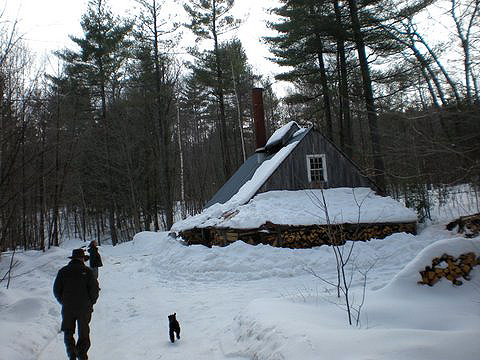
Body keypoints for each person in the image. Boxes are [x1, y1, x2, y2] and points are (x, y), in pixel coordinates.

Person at [53, 248, 99, 360]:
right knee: (83, 332)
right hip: (84, 307)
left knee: (68, 331)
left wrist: (63, 302)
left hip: (68, 307)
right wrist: (90, 302)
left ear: (73, 258)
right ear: (82, 258)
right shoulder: (87, 271)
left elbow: (56, 290)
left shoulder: (63, 271)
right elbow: (94, 290)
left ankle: (72, 354)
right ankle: (82, 355)